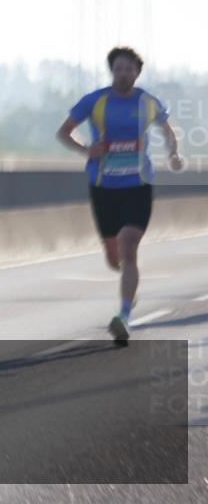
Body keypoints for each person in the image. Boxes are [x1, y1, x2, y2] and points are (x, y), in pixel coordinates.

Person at [56, 46, 183, 345]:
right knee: (115, 258)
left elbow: (167, 130)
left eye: (129, 69)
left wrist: (174, 153)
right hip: (103, 187)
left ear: (137, 73)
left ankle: (123, 316)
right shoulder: (95, 101)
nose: (123, 74)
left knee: (129, 247)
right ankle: (127, 285)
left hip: (137, 186)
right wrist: (86, 150)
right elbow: (64, 132)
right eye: (118, 69)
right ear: (112, 71)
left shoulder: (147, 102)